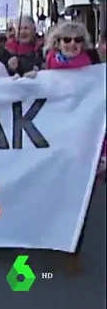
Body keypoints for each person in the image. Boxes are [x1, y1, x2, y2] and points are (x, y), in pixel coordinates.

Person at [37, 21, 103, 274]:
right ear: (57, 43)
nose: (72, 45)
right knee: (55, 192)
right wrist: (32, 79)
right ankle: (52, 237)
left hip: (83, 141)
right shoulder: (48, 68)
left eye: (77, 40)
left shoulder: (94, 72)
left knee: (80, 197)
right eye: (67, 40)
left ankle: (73, 248)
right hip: (55, 140)